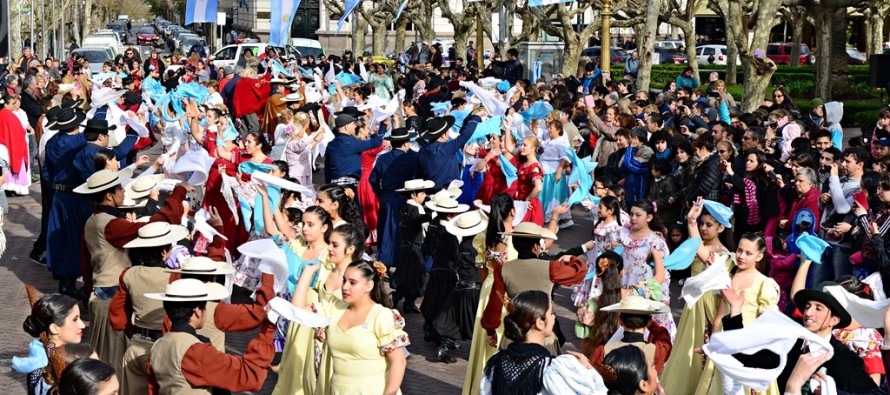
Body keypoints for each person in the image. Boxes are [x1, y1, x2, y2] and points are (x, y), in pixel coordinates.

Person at [292, 260, 409, 394]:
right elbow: (297, 311)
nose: (345, 287)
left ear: (369, 286)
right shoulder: (334, 307)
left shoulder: (382, 316)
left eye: (353, 282)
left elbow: (399, 362)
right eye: (344, 281)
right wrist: (307, 273)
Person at [146, 279, 276, 394]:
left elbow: (153, 389)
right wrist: (268, 329)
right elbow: (249, 375)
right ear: (197, 311)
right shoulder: (196, 351)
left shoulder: (157, 345)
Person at [481, 222, 586, 355]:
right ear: (536, 246)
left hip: (515, 332)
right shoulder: (550, 266)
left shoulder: (503, 269)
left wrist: (491, 330)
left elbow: (495, 304)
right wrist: (571, 259)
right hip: (543, 332)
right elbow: (579, 272)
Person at [481, 290, 606, 394]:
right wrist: (589, 368)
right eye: (551, 313)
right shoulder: (554, 369)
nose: (554, 317)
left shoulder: (495, 362)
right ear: (540, 323)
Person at [13, 293, 86, 395]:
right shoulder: (47, 371)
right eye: (75, 319)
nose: (82, 325)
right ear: (55, 328)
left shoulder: (51, 350)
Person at [370, 127, 419, 267]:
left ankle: (384, 260)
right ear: (405, 143)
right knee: (403, 232)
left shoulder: (383, 158)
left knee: (386, 232)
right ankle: (402, 263)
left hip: (387, 198)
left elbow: (373, 179)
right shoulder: (413, 158)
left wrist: (380, 193)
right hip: (405, 199)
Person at [391, 179, 435, 313]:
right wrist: (431, 215)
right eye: (422, 193)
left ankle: (409, 302)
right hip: (411, 248)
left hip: (412, 246)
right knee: (414, 275)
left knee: (413, 276)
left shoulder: (411, 207)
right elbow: (416, 219)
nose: (424, 196)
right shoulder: (412, 208)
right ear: (413, 195)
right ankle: (397, 296)